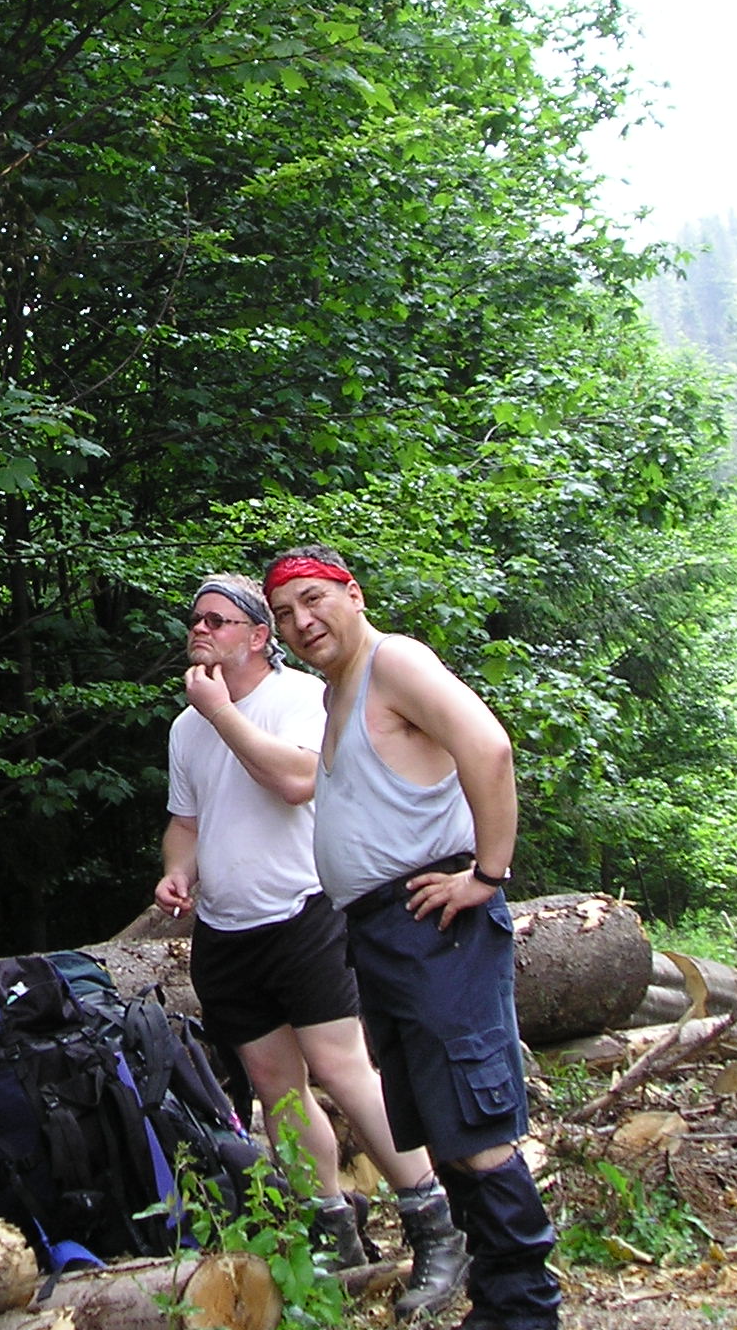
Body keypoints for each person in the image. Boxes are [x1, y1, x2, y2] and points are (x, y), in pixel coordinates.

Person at [263, 546, 562, 1330]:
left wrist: (487, 875)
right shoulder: (337, 692)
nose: (301, 622)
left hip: (436, 924)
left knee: (473, 1121)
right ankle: (498, 1305)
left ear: (353, 594)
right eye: (285, 614)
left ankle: (527, 1310)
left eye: (313, 600)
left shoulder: (393, 661)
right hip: (380, 932)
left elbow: (488, 746)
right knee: (441, 1123)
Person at [158, 574, 468, 1313]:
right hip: (226, 929)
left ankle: (436, 1223)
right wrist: (177, 870)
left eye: (217, 620)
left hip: (305, 912)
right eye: (195, 619)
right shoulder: (185, 728)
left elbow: (297, 780)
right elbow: (186, 822)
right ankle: (333, 1236)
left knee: (343, 1069)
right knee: (277, 1089)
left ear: (258, 636)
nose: (200, 630)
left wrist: (220, 713)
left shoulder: (302, 698)